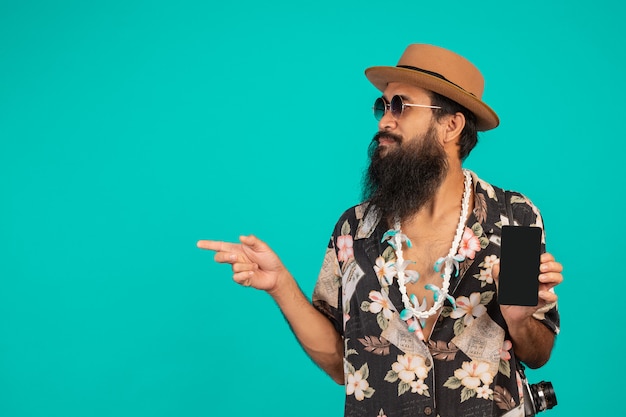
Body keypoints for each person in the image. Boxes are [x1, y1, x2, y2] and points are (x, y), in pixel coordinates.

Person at [197, 44, 563, 417]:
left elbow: (538, 354)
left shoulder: (513, 218)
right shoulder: (355, 228)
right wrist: (280, 286)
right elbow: (343, 365)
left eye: (400, 106)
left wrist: (519, 319)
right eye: (382, 106)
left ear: (451, 125)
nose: (384, 122)